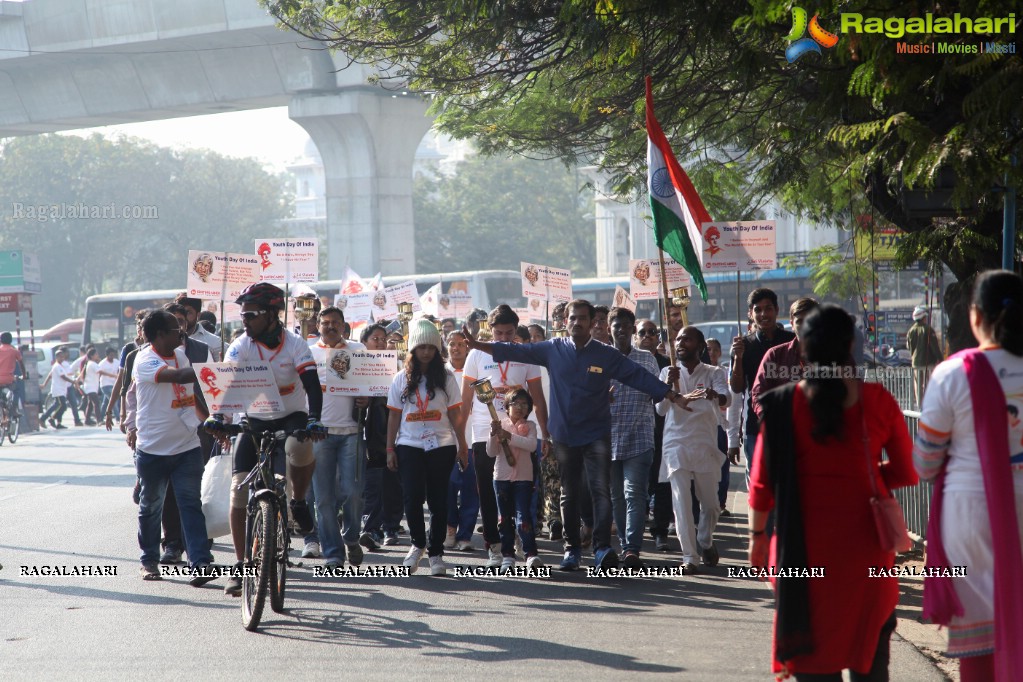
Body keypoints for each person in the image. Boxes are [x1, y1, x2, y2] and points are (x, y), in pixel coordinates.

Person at [749, 305, 917, 680]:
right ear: (850, 346)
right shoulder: (877, 401)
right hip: (868, 559)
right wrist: (866, 476)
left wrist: (758, 538)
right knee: (870, 663)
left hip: (800, 560)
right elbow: (907, 473)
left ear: (803, 349)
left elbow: (762, 486)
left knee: (815, 666)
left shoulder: (779, 407)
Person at [462, 299, 689, 571]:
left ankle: (602, 547)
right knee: (569, 494)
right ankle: (572, 550)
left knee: (600, 492)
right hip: (564, 436)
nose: (577, 322)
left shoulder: (605, 354)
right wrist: (478, 345)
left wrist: (672, 394)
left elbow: (638, 376)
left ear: (593, 322)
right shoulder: (553, 349)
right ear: (565, 322)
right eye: (572, 318)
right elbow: (513, 350)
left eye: (583, 318)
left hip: (597, 434)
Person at [914, 270, 1023, 681]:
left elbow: (925, 463)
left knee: (979, 636)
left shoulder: (952, 373)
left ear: (976, 315)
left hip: (969, 515)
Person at [209, 282, 325, 597]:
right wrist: (218, 417)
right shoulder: (241, 344)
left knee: (301, 447)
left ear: (272, 314)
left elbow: (313, 387)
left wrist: (314, 420)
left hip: (291, 416)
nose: (244, 320)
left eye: (251, 315)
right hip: (256, 417)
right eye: (242, 314)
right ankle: (241, 562)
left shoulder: (295, 344)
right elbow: (225, 384)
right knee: (237, 490)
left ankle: (298, 502)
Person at [131, 310, 218, 586]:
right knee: (151, 506)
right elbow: (179, 378)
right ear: (158, 335)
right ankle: (149, 560)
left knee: (191, 504)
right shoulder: (144, 360)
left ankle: (200, 562)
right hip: (153, 450)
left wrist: (210, 423)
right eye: (174, 330)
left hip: (187, 446)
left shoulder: (180, 354)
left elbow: (190, 397)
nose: (181, 333)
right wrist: (215, 370)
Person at [461, 305, 550, 569]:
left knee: (520, 489)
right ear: (490, 330)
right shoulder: (477, 353)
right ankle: (494, 546)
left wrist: (545, 435)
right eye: (498, 333)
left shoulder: (526, 354)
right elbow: (466, 399)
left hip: (519, 430)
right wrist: (461, 438)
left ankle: (522, 541)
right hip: (483, 428)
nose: (503, 339)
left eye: (509, 333)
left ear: (516, 329)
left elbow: (538, 398)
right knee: (488, 491)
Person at [386, 320, 468, 576]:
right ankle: (417, 545)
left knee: (438, 499)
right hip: (409, 445)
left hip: (441, 445)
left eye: (431, 347)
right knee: (411, 498)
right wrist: (390, 449)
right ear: (413, 349)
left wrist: (462, 445)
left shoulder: (446, 377)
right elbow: (393, 417)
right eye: (421, 347)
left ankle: (436, 553)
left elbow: (456, 414)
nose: (426, 352)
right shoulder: (401, 377)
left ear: (437, 349)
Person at [656, 326, 730, 574]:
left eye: (686, 339)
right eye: (677, 339)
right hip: (675, 443)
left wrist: (711, 395)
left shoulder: (713, 372)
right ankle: (689, 556)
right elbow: (660, 410)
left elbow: (725, 399)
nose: (680, 343)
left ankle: (705, 540)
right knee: (681, 501)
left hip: (704, 444)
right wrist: (667, 387)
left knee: (710, 504)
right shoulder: (668, 371)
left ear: (699, 346)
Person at [729, 288, 795, 536]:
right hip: (756, 427)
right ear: (750, 314)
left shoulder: (790, 341)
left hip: (789, 426)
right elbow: (737, 389)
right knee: (760, 488)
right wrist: (737, 359)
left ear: (777, 311)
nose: (763, 314)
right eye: (758, 309)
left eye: (768, 308)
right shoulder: (743, 345)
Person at [308, 305, 367, 571]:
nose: (330, 326)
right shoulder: (308, 353)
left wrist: (368, 397)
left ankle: (352, 537)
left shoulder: (359, 351)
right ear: (318, 326)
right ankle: (333, 553)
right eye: (325, 322)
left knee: (353, 492)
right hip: (319, 434)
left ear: (344, 326)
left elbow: (375, 384)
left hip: (352, 433)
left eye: (336, 323)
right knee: (323, 498)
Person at [608, 307, 659, 568]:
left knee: (634, 494)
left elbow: (655, 393)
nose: (621, 329)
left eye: (626, 325)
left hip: (639, 435)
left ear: (632, 329)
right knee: (616, 495)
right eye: (616, 325)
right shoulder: (601, 358)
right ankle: (623, 545)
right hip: (608, 438)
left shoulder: (648, 359)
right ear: (610, 329)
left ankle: (632, 549)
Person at [358, 323, 404, 548]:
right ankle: (370, 528)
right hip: (361, 431)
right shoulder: (355, 365)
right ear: (364, 342)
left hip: (387, 430)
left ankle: (391, 527)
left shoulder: (395, 366)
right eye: (375, 339)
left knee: (392, 479)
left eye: (383, 339)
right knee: (371, 483)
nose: (380, 343)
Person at [487, 387, 543, 572]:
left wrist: (509, 436)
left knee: (523, 517)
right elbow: (491, 452)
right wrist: (493, 434)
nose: (520, 407)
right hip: (501, 478)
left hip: (523, 479)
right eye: (515, 403)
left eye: (524, 404)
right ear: (507, 406)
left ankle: (530, 554)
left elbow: (532, 445)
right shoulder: (499, 423)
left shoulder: (531, 426)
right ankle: (507, 555)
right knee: (503, 519)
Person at [751, 297, 820, 419]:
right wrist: (769, 419)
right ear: (792, 324)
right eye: (800, 321)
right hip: (785, 431)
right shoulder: (775, 355)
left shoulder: (836, 355)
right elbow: (758, 394)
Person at [444, 330, 479, 552]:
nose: (456, 348)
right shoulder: (441, 372)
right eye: (451, 343)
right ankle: (449, 529)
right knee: (447, 488)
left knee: (470, 490)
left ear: (468, 347)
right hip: (446, 441)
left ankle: (465, 534)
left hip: (472, 439)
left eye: (460, 344)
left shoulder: (476, 371)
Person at [906, 305, 943, 409]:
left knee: (918, 385)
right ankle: (930, 405)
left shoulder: (911, 331)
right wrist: (940, 359)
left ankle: (920, 406)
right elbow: (934, 346)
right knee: (930, 384)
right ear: (923, 317)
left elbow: (909, 347)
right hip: (928, 363)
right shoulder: (928, 329)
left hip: (916, 364)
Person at [176, 294, 222, 361]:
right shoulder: (170, 341)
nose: (184, 317)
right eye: (181, 312)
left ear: (198, 315)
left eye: (188, 312)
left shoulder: (214, 342)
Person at [40, 349, 74, 429]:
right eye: (60, 357)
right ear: (57, 357)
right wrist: (73, 381)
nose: (62, 358)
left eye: (63, 357)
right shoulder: (57, 366)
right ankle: (46, 418)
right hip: (58, 390)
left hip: (62, 389)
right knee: (61, 405)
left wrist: (44, 384)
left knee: (61, 406)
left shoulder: (59, 366)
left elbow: (50, 375)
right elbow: (63, 377)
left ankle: (58, 423)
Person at [97, 347, 119, 416]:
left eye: (113, 355)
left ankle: (101, 417)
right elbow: (99, 372)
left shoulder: (116, 362)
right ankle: (118, 417)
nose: (112, 357)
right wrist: (111, 375)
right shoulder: (102, 363)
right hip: (105, 385)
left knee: (106, 402)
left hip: (114, 384)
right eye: (111, 355)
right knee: (114, 400)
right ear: (107, 355)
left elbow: (120, 370)